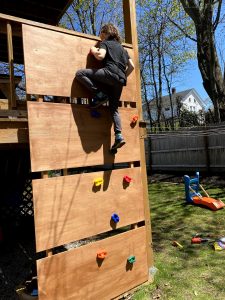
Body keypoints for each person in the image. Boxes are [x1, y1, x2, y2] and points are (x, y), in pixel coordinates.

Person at [75, 23, 134, 151]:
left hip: (109, 73)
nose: (100, 37)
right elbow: (132, 67)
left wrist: (93, 50)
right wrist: (123, 77)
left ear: (106, 33)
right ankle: (118, 136)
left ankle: (100, 95)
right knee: (114, 109)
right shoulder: (124, 50)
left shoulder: (105, 43)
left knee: (80, 74)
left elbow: (100, 56)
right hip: (119, 81)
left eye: (101, 33)